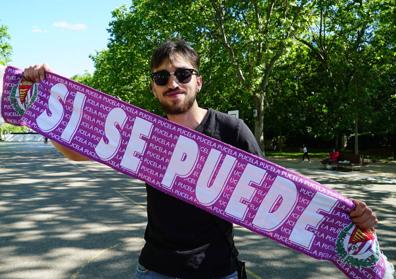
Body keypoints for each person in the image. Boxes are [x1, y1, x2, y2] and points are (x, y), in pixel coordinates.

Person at [23, 39, 378, 279]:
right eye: (162, 76)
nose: (172, 82)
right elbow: (74, 149)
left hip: (218, 270)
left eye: (182, 74)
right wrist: (43, 100)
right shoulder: (142, 133)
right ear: (153, 87)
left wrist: (351, 218)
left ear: (198, 81)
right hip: (155, 269)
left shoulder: (232, 129)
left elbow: (286, 194)